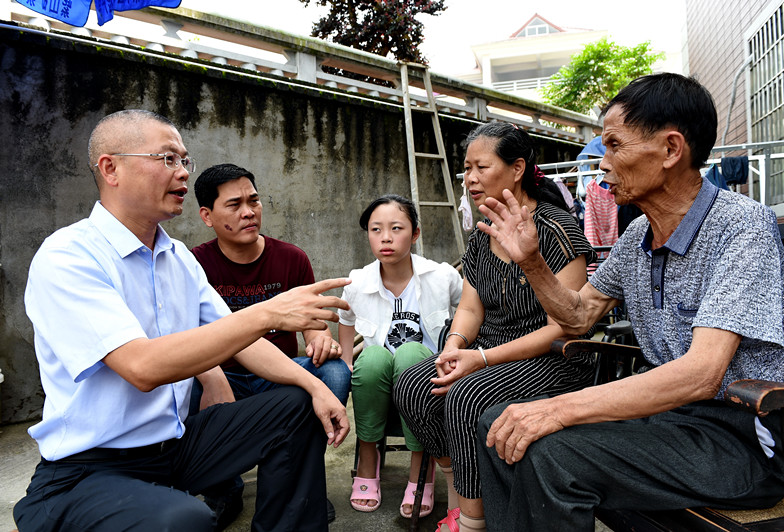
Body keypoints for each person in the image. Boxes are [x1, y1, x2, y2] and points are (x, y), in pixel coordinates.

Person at [476, 73, 784, 531]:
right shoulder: (636, 237)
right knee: (500, 424)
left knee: (551, 450)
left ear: (670, 150)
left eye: (614, 145)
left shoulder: (742, 227)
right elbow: (579, 316)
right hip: (670, 421)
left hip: (746, 440)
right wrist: (531, 261)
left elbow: (703, 373)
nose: (602, 162)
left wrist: (558, 408)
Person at [13, 109, 350, 532]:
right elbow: (142, 367)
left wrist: (316, 386)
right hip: (90, 468)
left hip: (173, 448)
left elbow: (245, 342)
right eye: (167, 158)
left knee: (300, 405)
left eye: (184, 160)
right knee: (186, 520)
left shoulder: (178, 261)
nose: (183, 173)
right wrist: (268, 312)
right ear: (110, 167)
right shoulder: (68, 256)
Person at [393, 122, 597, 532]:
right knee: (413, 386)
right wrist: (454, 346)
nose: (470, 179)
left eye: (481, 167)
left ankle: (472, 521)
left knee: (466, 395)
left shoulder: (558, 231)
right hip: (485, 349)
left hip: (552, 356)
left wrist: (481, 359)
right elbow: (470, 307)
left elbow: (567, 326)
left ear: (517, 168)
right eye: (466, 169)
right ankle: (463, 490)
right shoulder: (481, 233)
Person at [190, 163, 351, 526]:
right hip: (225, 377)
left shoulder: (291, 258)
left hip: (277, 374)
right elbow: (185, 337)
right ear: (207, 216)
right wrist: (211, 378)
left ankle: (298, 482)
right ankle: (222, 486)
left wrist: (320, 340)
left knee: (335, 373)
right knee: (182, 382)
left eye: (254, 200)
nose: (249, 212)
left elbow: (313, 328)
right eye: (234, 205)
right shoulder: (194, 264)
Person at [337, 194, 462, 517]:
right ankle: (368, 457)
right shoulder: (357, 282)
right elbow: (346, 320)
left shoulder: (443, 276)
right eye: (376, 230)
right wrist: (348, 362)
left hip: (426, 381)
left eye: (396, 228)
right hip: (377, 382)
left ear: (415, 233)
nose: (386, 238)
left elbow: (469, 311)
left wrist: (456, 352)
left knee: (409, 354)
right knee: (374, 357)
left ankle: (421, 466)